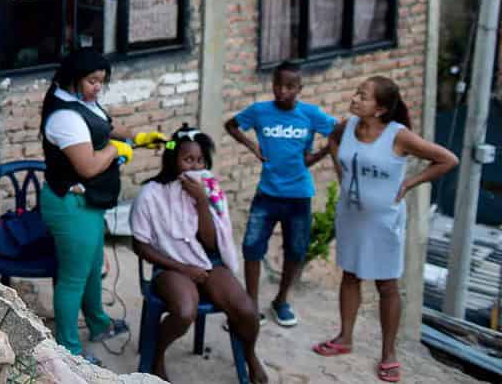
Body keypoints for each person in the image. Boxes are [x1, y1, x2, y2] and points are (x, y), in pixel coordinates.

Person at [313, 76, 457, 383]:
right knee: (350, 275)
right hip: (351, 215)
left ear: (379, 109)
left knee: (386, 285)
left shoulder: (398, 136)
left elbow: (447, 159)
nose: (354, 98)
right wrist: (344, 177)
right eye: (356, 92)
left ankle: (389, 354)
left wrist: (410, 182)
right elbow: (333, 142)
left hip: (383, 223)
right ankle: (344, 338)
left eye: (361, 96)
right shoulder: (347, 126)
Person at [38, 48, 164, 364]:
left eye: (101, 82)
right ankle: (69, 350)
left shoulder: (81, 102)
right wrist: (115, 150)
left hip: (88, 205)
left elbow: (104, 125)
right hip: (71, 205)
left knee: (93, 270)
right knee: (73, 278)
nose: (98, 87)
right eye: (93, 81)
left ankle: (98, 323)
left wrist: (138, 137)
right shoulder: (64, 117)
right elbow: (89, 166)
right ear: (74, 77)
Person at [131, 125, 267, 383]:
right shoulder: (151, 194)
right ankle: (156, 356)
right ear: (173, 159)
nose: (194, 167)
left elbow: (212, 243)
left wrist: (202, 202)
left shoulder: (210, 191)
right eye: (187, 159)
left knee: (247, 310)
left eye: (200, 160)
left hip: (208, 262)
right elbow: (141, 246)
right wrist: (184, 269)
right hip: (170, 265)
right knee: (184, 311)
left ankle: (250, 355)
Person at [225, 61, 336, 327]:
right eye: (277, 85)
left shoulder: (311, 115)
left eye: (289, 86)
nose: (282, 91)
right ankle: (251, 304)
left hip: (299, 196)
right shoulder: (260, 112)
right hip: (267, 193)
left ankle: (281, 301)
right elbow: (231, 125)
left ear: (300, 88)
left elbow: (338, 132)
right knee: (251, 247)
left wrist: (323, 152)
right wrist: (252, 145)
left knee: (296, 251)